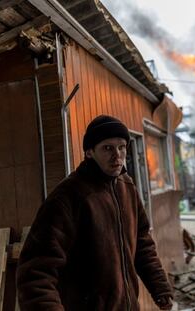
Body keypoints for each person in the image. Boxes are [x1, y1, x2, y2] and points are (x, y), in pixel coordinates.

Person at [17, 115, 173, 310]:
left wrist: (159, 286)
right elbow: (36, 272)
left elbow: (142, 243)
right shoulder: (68, 197)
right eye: (107, 148)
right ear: (90, 152)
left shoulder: (127, 187)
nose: (117, 156)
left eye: (122, 147)